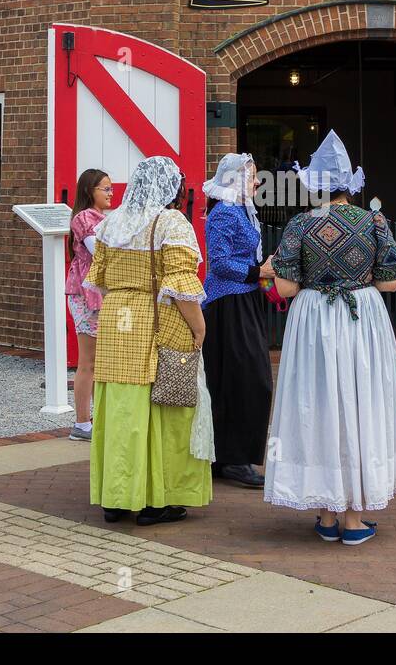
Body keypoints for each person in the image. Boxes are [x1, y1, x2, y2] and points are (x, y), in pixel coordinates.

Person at [264, 130, 396, 545]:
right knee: (361, 402)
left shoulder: (299, 224)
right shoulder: (374, 220)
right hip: (361, 317)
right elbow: (391, 284)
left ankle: (327, 514)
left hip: (313, 318)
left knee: (319, 404)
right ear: (350, 182)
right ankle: (353, 518)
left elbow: (288, 289)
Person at [84, 156, 212, 525]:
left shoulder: (114, 221)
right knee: (163, 406)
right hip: (156, 318)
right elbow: (182, 285)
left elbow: (100, 276)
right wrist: (199, 328)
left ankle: (118, 497)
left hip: (115, 317)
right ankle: (158, 499)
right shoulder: (169, 221)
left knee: (120, 406)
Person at [202, 153, 276, 489]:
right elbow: (218, 262)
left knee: (242, 379)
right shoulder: (224, 214)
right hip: (227, 303)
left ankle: (228, 455)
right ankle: (232, 458)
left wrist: (262, 278)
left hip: (244, 298)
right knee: (246, 380)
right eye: (252, 176)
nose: (257, 182)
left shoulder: (240, 211)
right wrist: (258, 271)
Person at [65, 168, 113, 441]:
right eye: (104, 188)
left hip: (98, 295)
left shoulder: (101, 218)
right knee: (88, 361)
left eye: (110, 188)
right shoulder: (85, 218)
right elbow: (101, 253)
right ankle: (82, 423)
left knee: (98, 361)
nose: (110, 193)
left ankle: (95, 417)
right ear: (89, 191)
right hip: (86, 296)